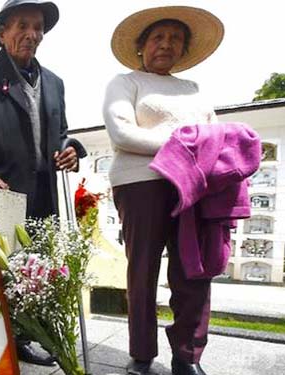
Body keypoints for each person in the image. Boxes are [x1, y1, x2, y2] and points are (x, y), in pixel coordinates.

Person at [0, 0, 86, 365]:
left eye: (38, 27)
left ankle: (28, 337)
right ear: (2, 33)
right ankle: (0, 342)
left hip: (44, 196)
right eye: (23, 26)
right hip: (4, 193)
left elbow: (60, 134)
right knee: (2, 270)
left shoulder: (55, 83)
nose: (32, 34)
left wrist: (70, 150)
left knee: (36, 271)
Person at [103, 6, 224, 375]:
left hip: (193, 186)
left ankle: (187, 355)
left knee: (194, 272)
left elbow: (214, 135)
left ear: (184, 49)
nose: (166, 44)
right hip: (141, 183)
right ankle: (141, 353)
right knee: (143, 269)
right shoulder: (126, 82)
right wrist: (184, 144)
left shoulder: (194, 90)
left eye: (175, 39)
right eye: (158, 37)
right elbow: (122, 133)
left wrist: (198, 150)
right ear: (142, 46)